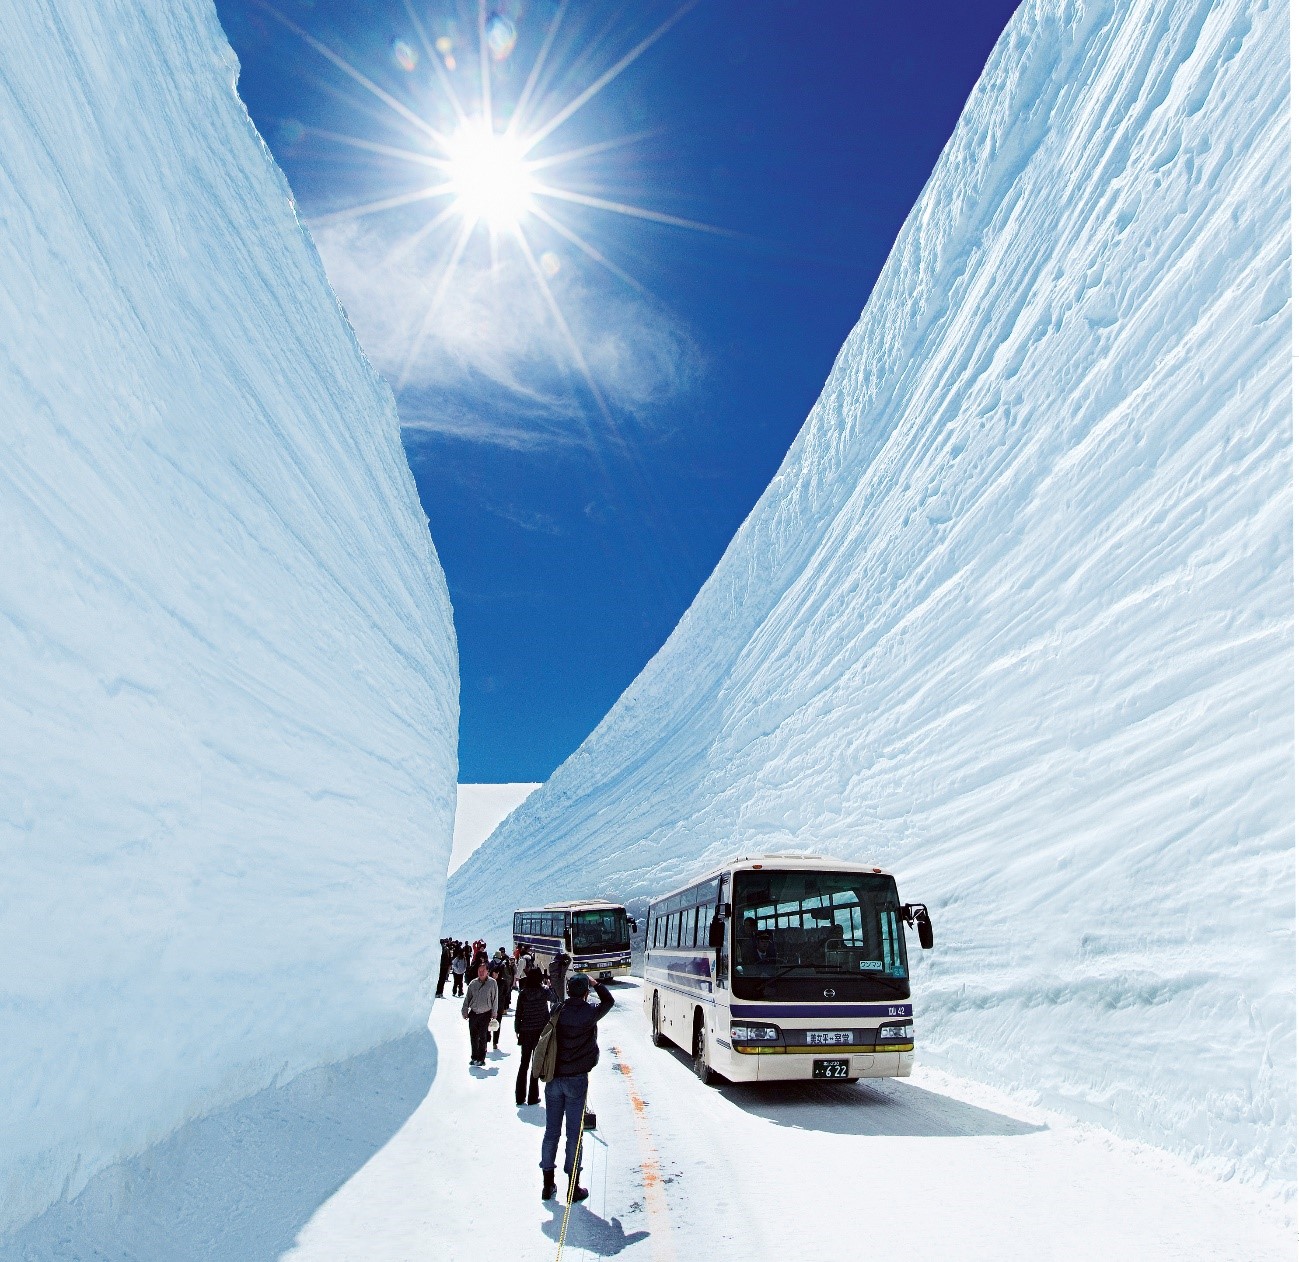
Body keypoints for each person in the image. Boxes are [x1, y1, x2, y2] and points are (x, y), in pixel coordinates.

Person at [540, 974, 614, 1203]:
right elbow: (609, 1001)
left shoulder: (558, 1011)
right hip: (577, 1080)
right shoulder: (589, 1014)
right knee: (574, 1133)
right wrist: (596, 983)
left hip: (554, 1078)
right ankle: (573, 1186)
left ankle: (547, 1183)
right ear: (585, 992)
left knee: (552, 1132)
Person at [513, 967, 550, 1106]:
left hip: (526, 1031)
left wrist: (517, 1029)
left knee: (524, 1064)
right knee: (536, 1064)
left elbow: (518, 1014)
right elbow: (555, 998)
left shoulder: (523, 994)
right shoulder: (544, 991)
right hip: (540, 1032)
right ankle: (533, 1096)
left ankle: (519, 1096)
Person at [462, 961, 497, 1066]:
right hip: (474, 1013)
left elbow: (495, 999)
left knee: (483, 1036)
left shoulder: (492, 983)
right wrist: (464, 1010)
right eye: (479, 971)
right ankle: (474, 1057)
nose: (481, 973)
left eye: (483, 971)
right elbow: (467, 998)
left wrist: (494, 1013)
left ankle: (481, 1058)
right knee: (473, 1036)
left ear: (487, 972)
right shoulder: (473, 983)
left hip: (485, 1013)